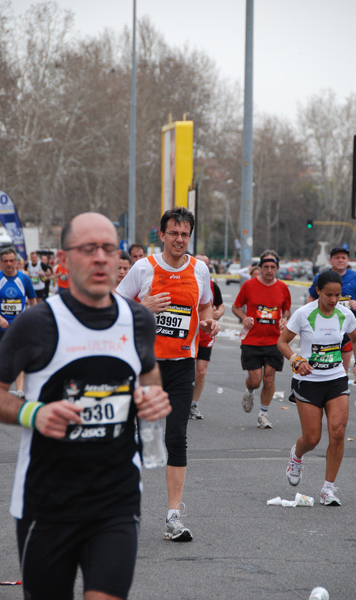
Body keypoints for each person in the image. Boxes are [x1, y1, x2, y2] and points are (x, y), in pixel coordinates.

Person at [0, 213, 170, 600]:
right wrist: (32, 413)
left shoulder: (138, 320)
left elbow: (149, 376)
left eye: (108, 248)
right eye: (88, 249)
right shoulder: (37, 323)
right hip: (47, 502)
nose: (101, 258)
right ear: (65, 261)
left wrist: (151, 399)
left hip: (116, 498)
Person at [117, 206, 220, 541]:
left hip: (180, 365)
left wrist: (207, 320)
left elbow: (204, 304)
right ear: (161, 235)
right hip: (145, 364)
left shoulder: (199, 269)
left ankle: (173, 516)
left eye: (185, 234)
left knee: (176, 436)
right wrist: (141, 307)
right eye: (173, 233)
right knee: (134, 437)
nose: (179, 239)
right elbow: (114, 308)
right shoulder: (144, 267)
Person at [277, 270, 356, 506]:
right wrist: (296, 360)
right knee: (312, 438)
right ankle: (297, 455)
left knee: (337, 432)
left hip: (336, 379)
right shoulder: (304, 314)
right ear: (318, 291)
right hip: (309, 382)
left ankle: (328, 489)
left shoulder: (344, 314)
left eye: (337, 295)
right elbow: (282, 342)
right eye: (329, 295)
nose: (334, 300)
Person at [232, 250, 291, 429]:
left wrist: (284, 318)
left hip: (274, 341)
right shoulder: (249, 286)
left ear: (277, 268)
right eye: (266, 267)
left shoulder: (282, 288)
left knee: (270, 379)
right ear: (260, 268)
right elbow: (235, 307)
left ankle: (263, 414)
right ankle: (249, 390)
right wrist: (244, 318)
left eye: (273, 267)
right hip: (252, 340)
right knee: (256, 380)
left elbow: (286, 310)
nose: (269, 270)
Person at [307, 247, 356, 373]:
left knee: (344, 357)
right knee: (326, 356)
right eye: (337, 257)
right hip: (324, 322)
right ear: (330, 260)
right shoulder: (321, 277)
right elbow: (312, 297)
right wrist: (309, 314)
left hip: (348, 324)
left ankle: (342, 378)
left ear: (348, 261)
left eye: (343, 258)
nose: (340, 260)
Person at [0, 247, 37, 393]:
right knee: (2, 358)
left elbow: (33, 300)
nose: (9, 264)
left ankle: (20, 391)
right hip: (0, 325)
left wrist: (33, 317)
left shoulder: (24, 278)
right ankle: (0, 389)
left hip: (19, 325)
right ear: (0, 262)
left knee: (19, 357)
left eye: (12, 260)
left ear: (17, 261)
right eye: (6, 261)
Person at [189, 254, 225, 420]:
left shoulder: (212, 286)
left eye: (207, 266)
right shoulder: (186, 279)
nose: (203, 269)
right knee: (185, 370)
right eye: (200, 264)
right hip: (187, 333)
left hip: (204, 335)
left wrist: (218, 313)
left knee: (201, 371)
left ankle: (193, 404)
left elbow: (220, 305)